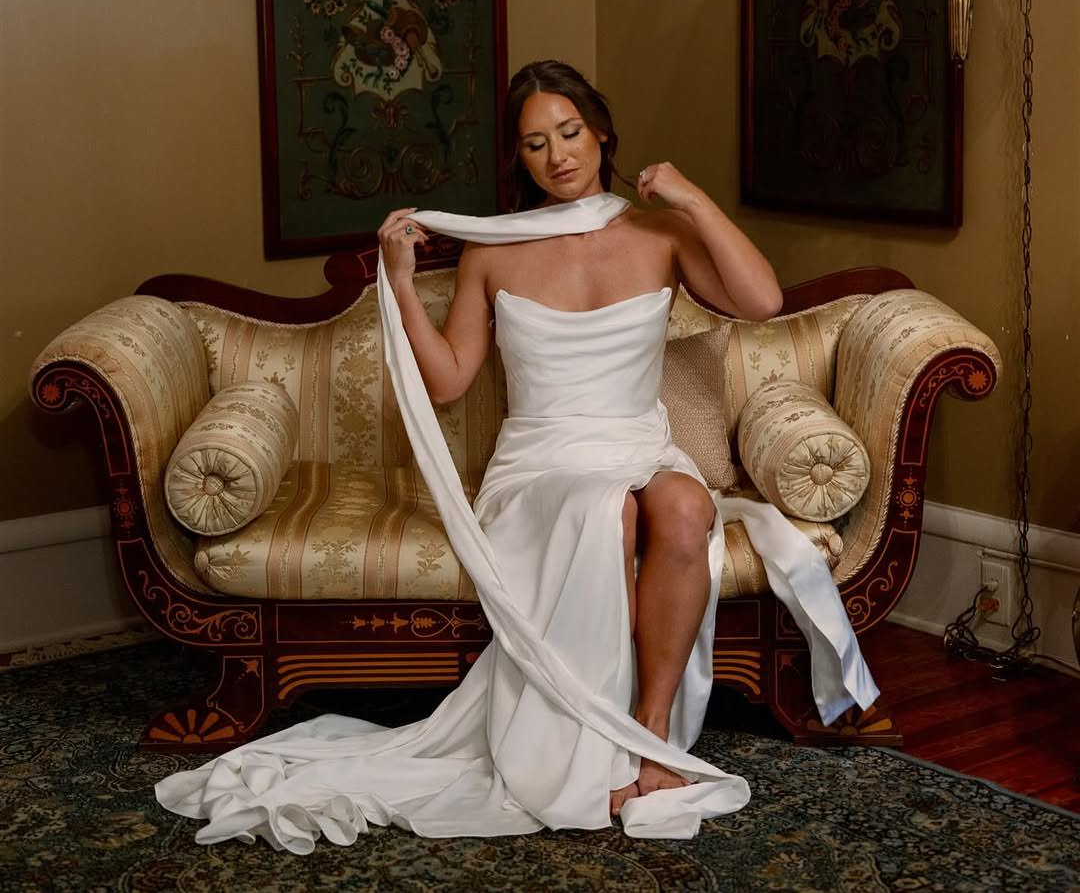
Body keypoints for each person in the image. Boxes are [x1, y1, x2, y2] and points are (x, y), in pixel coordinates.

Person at [156, 60, 878, 849]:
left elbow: (763, 302)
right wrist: (399, 282)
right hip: (541, 462)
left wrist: (693, 200)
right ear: (519, 159)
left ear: (601, 131)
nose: (559, 156)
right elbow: (449, 382)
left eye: (570, 133)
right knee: (606, 507)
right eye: (535, 144)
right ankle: (591, 750)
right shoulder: (493, 252)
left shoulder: (658, 233)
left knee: (685, 504)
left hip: (636, 441)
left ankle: (651, 731)